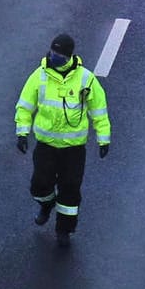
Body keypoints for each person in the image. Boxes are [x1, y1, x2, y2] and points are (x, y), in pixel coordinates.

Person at [14, 33, 111, 248]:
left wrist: (103, 139)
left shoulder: (86, 80)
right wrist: (22, 133)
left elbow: (99, 111)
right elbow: (25, 106)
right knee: (39, 185)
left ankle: (64, 230)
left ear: (69, 56)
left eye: (59, 53)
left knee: (70, 189)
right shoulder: (39, 76)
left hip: (73, 149)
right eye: (53, 51)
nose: (53, 56)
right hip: (46, 145)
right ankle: (47, 204)